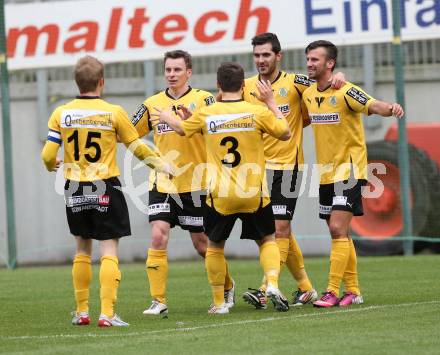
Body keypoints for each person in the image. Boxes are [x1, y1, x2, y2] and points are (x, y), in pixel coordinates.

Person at [41, 55, 171, 327]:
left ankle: (82, 311)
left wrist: (50, 164)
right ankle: (107, 313)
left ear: (77, 82)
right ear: (102, 81)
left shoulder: (61, 113)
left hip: (75, 187)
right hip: (105, 186)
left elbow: (48, 153)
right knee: (109, 249)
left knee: (82, 249)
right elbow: (137, 147)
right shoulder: (114, 112)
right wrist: (160, 165)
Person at [153, 62, 292, 313]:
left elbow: (183, 129)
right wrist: (271, 102)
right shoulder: (256, 111)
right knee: (267, 240)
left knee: (215, 246)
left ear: (218, 85)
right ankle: (271, 282)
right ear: (242, 85)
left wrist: (167, 117)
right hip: (254, 193)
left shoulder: (208, 113)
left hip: (220, 195)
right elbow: (285, 133)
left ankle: (219, 303)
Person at [242, 33, 346, 308]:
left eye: (266, 54)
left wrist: (340, 77)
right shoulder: (245, 86)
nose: (261, 60)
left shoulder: (296, 82)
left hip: (287, 168)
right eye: (257, 55)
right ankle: (306, 287)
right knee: (272, 232)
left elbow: (324, 85)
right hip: (255, 170)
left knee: (280, 227)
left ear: (278, 56)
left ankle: (267, 289)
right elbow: (223, 104)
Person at [131, 50, 234, 316]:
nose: (172, 75)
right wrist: (152, 160)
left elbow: (223, 128)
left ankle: (227, 286)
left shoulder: (204, 99)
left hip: (197, 184)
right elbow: (129, 134)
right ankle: (158, 300)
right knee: (157, 235)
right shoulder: (152, 104)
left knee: (202, 245)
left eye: (177, 70)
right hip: (163, 182)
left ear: (189, 72)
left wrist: (193, 124)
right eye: (168, 70)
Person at [302, 40, 404, 307]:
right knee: (340, 233)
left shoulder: (346, 91)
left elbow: (373, 105)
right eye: (308, 59)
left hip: (349, 170)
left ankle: (332, 291)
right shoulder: (308, 92)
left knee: (337, 228)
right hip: (325, 174)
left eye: (315, 59)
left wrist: (391, 108)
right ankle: (354, 291)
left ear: (330, 63)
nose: (310, 64)